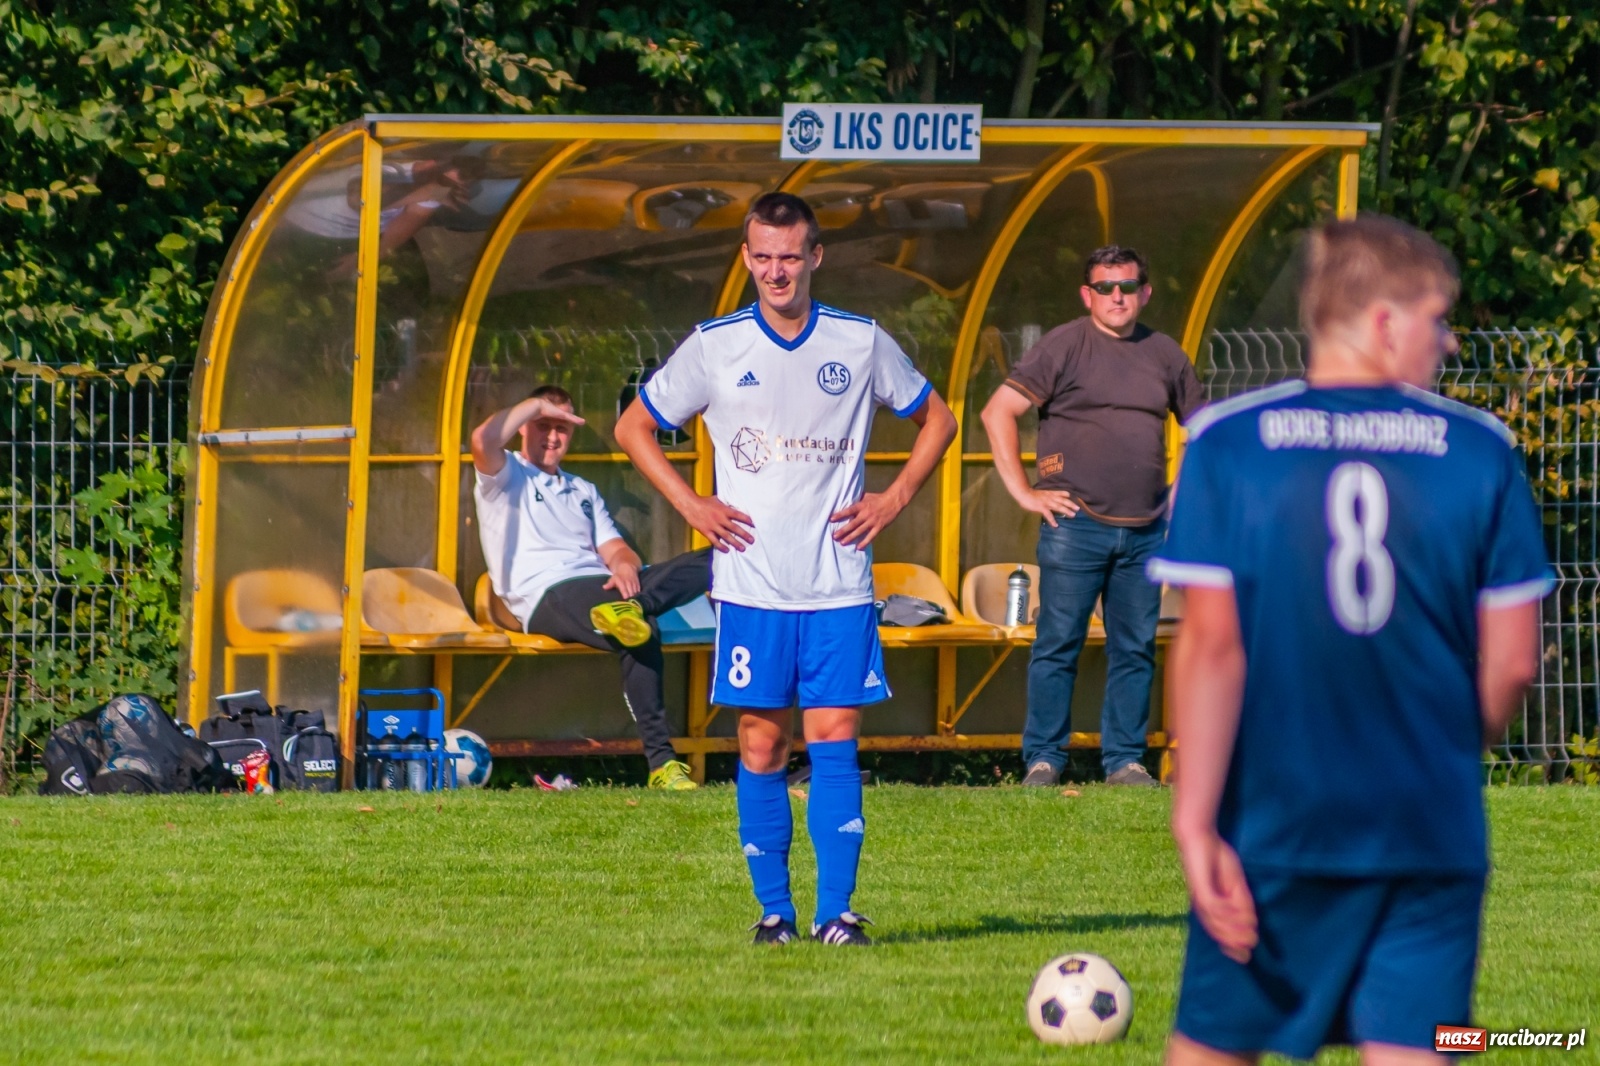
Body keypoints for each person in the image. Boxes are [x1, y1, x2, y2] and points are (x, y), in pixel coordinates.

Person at [1148, 215, 1550, 1064]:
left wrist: (1195, 823)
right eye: (1437, 319)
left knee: (1215, 1048)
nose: (1445, 342)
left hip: (1275, 822)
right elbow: (1514, 660)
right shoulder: (1481, 450)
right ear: (1381, 323)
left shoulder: (1228, 444)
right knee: (1422, 1044)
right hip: (1427, 824)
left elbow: (1211, 649)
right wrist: (1446, 747)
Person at [615, 192, 957, 945]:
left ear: (816, 257)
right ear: (746, 258)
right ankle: (775, 913)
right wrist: (692, 504)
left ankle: (837, 914)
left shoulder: (859, 341)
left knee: (834, 737)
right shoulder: (715, 345)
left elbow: (939, 417)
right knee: (761, 743)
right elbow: (633, 425)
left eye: (790, 256)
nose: (777, 270)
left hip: (837, 581)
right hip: (751, 584)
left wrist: (894, 498)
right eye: (763, 256)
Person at [979, 245, 1205, 787]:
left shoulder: (1166, 354)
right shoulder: (1063, 345)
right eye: (1105, 287)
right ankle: (1044, 759)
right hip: (1073, 526)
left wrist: (1183, 494)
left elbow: (1205, 429)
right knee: (1058, 644)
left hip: (1146, 530)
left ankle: (1125, 761)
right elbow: (997, 411)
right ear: (1088, 295)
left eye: (1127, 286)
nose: (1117, 296)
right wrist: (1025, 493)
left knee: (1135, 649)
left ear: (1145, 292)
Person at [471, 384, 712, 791]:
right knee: (641, 631)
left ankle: (635, 605)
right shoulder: (505, 474)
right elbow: (482, 438)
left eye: (561, 428)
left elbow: (616, 548)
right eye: (543, 425)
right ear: (523, 428)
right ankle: (662, 765)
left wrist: (623, 567)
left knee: (721, 555)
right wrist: (533, 404)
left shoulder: (583, 490)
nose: (552, 436)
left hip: (604, 588)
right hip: (548, 593)